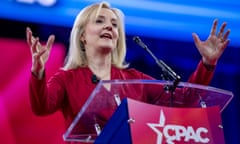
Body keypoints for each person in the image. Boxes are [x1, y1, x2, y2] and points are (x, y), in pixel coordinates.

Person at [26, 1, 230, 143]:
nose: (109, 26)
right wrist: (37, 70)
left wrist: (207, 63)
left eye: (114, 24)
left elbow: (186, 102)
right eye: (100, 21)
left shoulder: (135, 80)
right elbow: (42, 107)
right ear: (82, 36)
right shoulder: (66, 78)